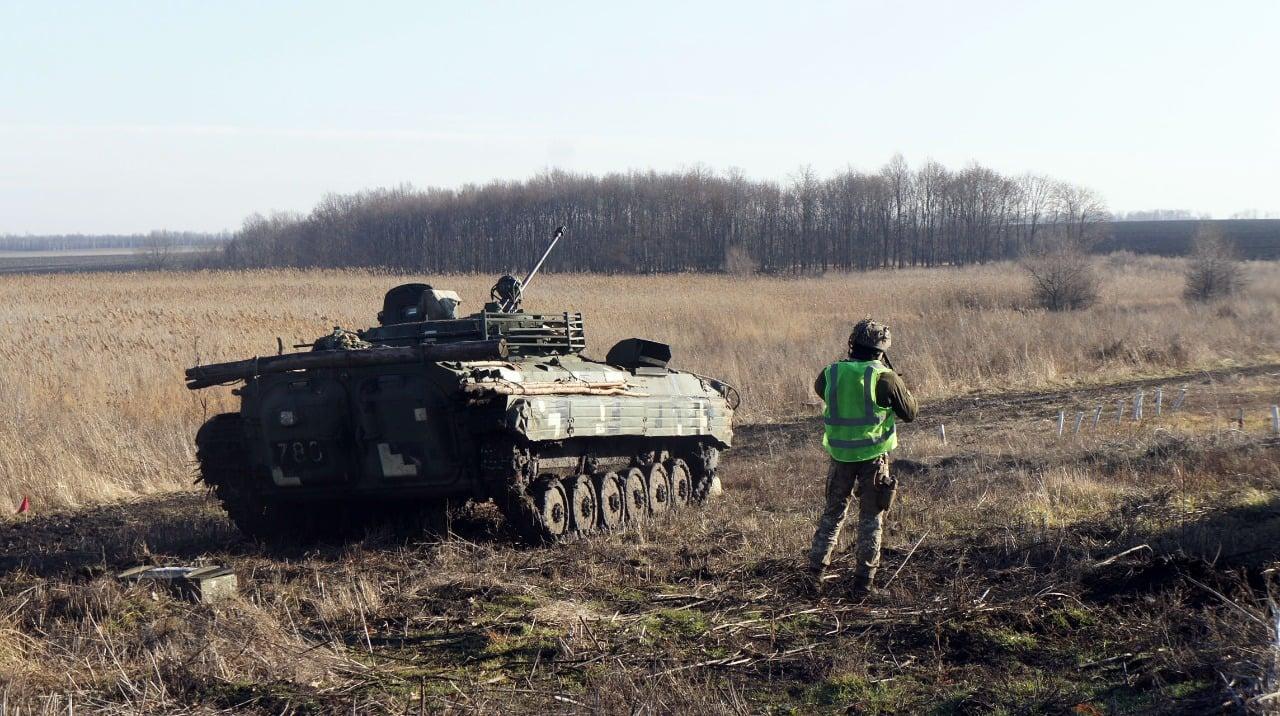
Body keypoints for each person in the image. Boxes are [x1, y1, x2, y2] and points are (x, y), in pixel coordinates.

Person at [808, 317, 917, 598]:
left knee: (832, 516)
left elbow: (824, 393)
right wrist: (893, 379)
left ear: (852, 344)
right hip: (873, 458)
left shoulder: (830, 373)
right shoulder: (884, 377)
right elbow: (911, 412)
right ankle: (863, 585)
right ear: (881, 350)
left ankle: (813, 578)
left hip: (840, 455)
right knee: (871, 520)